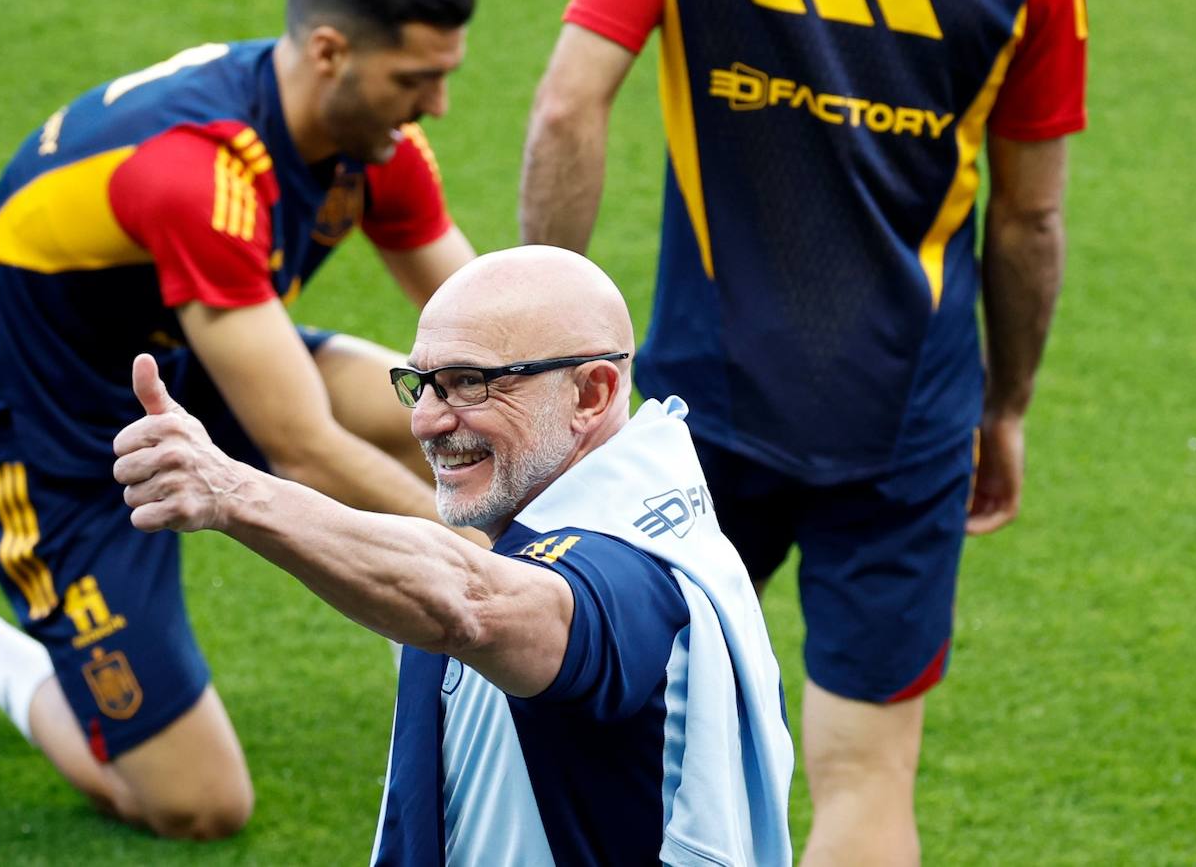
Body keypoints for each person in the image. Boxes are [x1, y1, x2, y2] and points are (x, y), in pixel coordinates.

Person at [520, 0, 1087, 862]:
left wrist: (546, 361)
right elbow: (1030, 217)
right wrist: (1006, 404)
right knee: (867, 773)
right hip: (907, 417)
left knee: (611, 717)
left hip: (697, 412)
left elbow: (566, 107)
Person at [0, 0, 480, 839]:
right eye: (414, 79)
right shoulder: (201, 171)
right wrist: (492, 562)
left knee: (451, 418)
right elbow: (304, 450)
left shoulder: (374, 137)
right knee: (197, 803)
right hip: (37, 435)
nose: (435, 105)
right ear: (329, 52)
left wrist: (579, 437)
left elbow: (482, 327)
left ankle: (455, 674)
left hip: (181, 361)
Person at [112, 244, 795, 864]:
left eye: (470, 382)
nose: (427, 421)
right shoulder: (626, 503)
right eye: (422, 382)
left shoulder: (632, 571)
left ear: (592, 393)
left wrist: (234, 493)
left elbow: (469, 605)